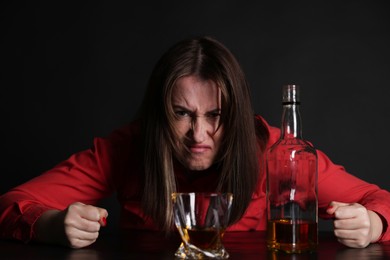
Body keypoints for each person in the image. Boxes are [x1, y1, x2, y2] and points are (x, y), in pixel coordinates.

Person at [0, 36, 389, 249]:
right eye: (182, 114)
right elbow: (10, 203)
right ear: (159, 113)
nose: (198, 136)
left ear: (234, 114)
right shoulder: (126, 148)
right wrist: (52, 225)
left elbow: (382, 201)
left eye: (215, 116)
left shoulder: (277, 151)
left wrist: (371, 224)